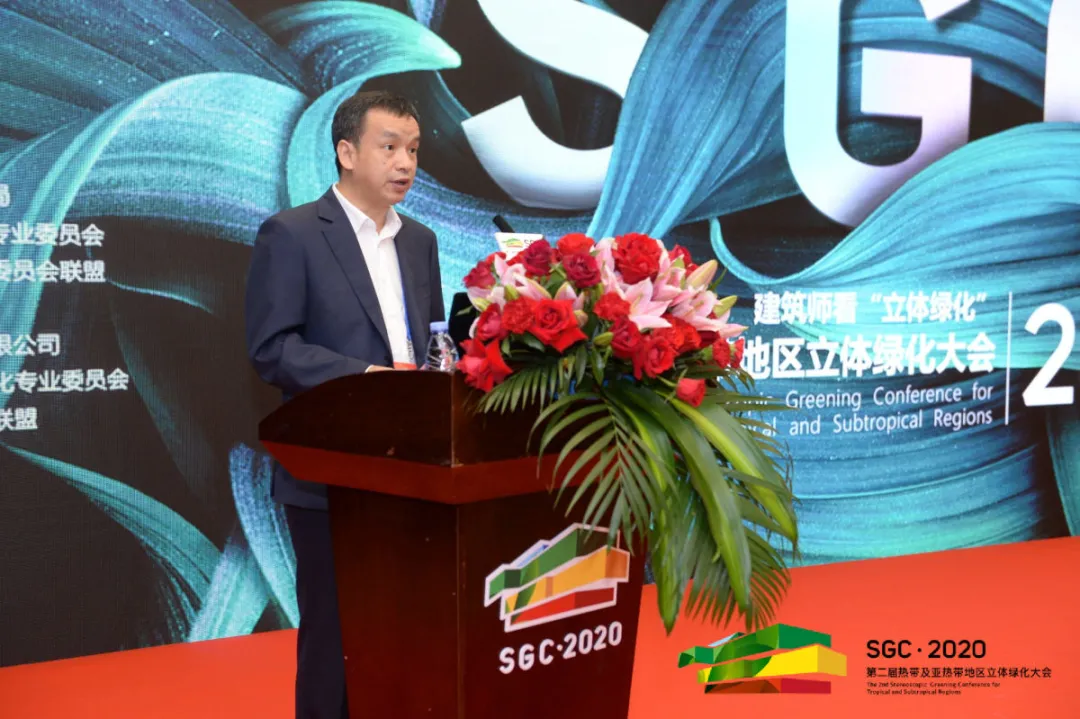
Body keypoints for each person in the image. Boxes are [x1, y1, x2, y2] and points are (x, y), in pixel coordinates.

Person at [244, 90, 444, 719]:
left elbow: (432, 340)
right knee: (335, 637)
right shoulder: (293, 233)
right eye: (390, 147)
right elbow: (273, 348)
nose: (405, 163)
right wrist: (366, 377)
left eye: (413, 149)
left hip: (413, 468)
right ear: (347, 152)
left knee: (407, 631)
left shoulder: (421, 242)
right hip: (332, 471)